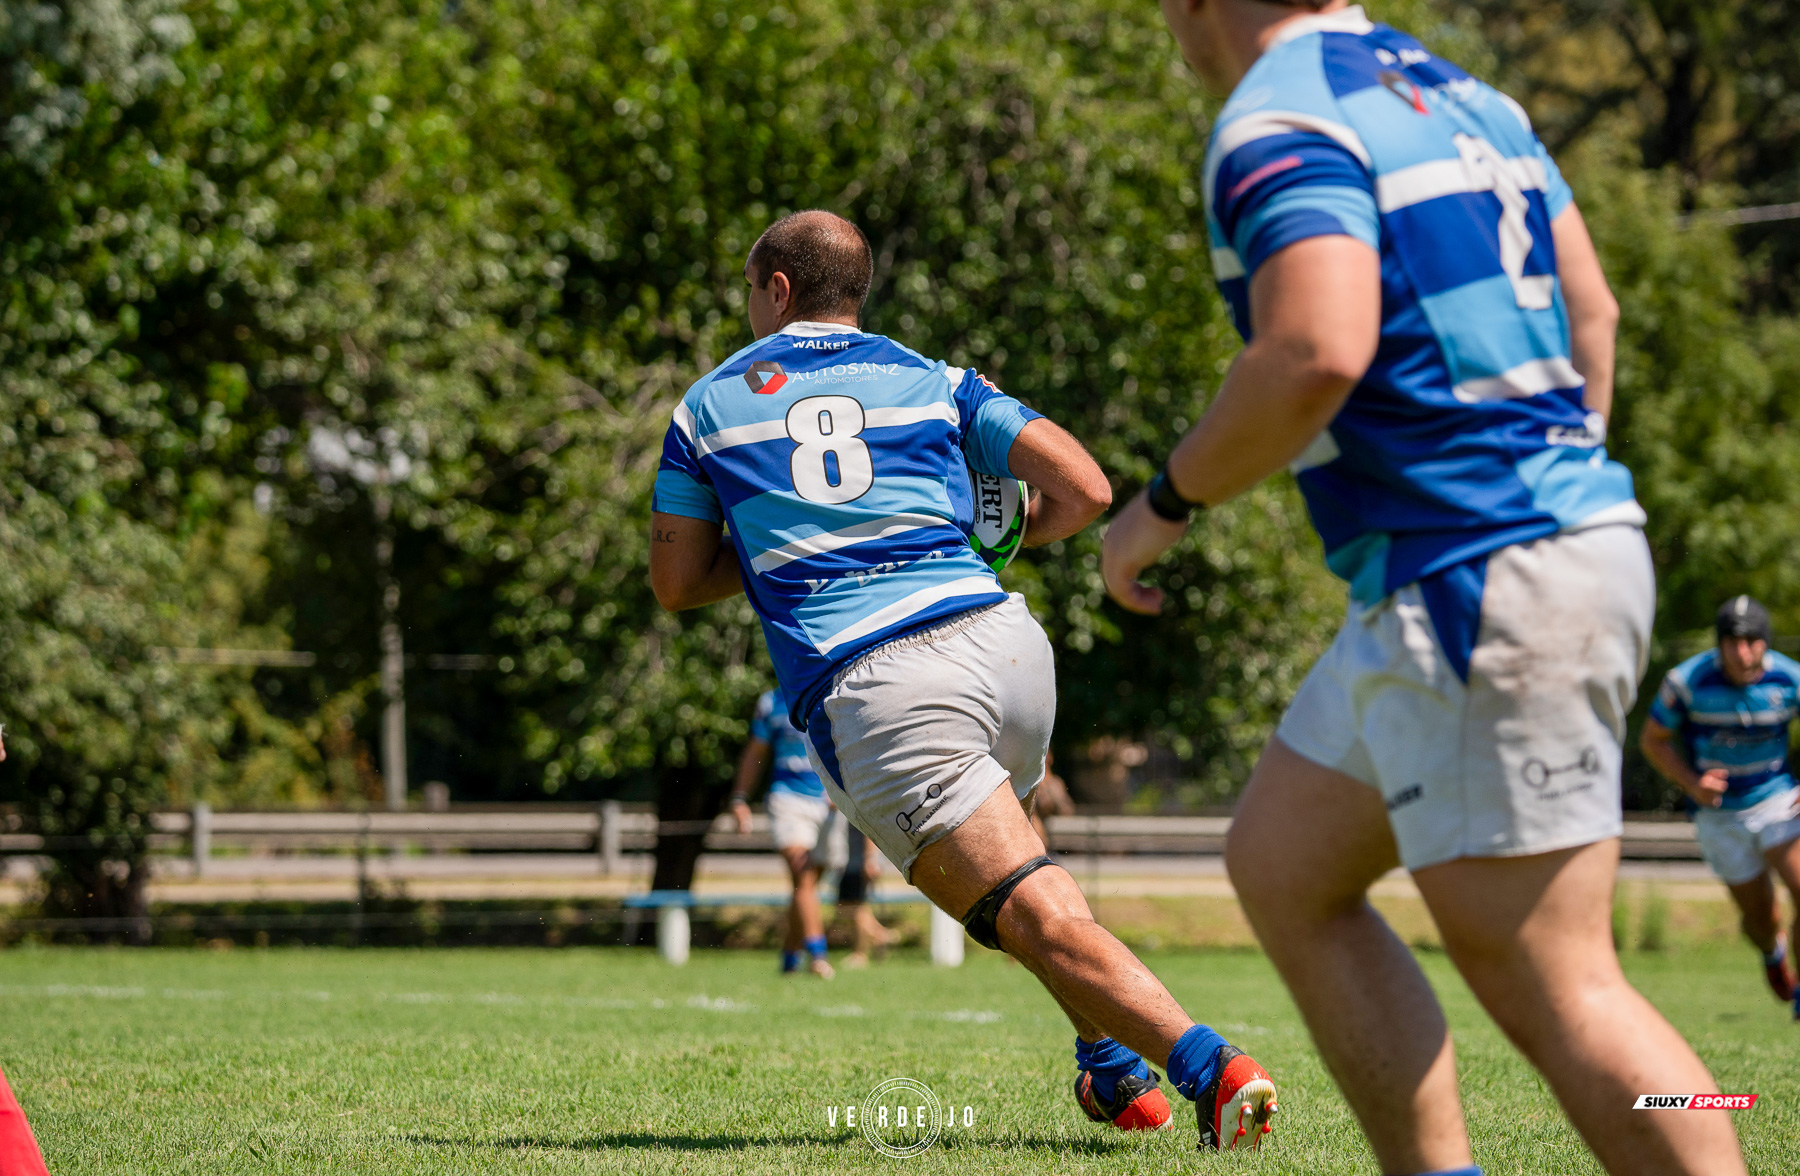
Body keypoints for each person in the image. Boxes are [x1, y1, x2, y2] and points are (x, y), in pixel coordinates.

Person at [1104, 3, 1746, 1174]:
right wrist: (1548, 497)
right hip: (1510, 556)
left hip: (1475, 576)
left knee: (1565, 985)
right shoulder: (1461, 96)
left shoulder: (1275, 115)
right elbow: (1590, 308)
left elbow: (1314, 351)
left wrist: (1158, 509)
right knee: (1285, 865)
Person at [651, 209, 1279, 1148]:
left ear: (776, 290)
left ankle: (1211, 1070)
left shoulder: (706, 406)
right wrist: (980, 532)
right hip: (1005, 645)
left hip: (880, 685)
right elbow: (1089, 492)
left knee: (1032, 910)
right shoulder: (933, 379)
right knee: (1033, 890)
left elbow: (676, 582)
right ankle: (1110, 1069)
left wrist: (786, 538)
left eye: (750, 292)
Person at [1641, 595, 1800, 1014]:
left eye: (1751, 641)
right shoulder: (1686, 682)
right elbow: (1652, 740)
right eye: (1732, 641)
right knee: (1762, 920)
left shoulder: (1790, 679)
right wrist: (1693, 783)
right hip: (1718, 815)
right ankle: (1772, 953)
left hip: (1778, 801)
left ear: (1766, 643)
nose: (1742, 652)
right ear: (1719, 644)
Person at [729, 687, 847, 978]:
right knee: (802, 873)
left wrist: (845, 789)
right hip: (787, 799)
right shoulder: (770, 702)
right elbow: (756, 751)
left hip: (830, 804)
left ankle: (790, 955)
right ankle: (818, 956)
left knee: (806, 886)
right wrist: (739, 799)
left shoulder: (834, 692)